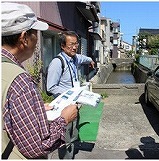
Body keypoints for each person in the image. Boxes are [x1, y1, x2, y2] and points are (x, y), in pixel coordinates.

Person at [1, 2, 78, 159]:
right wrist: (64, 119)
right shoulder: (20, 82)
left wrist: (33, 108)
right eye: (35, 33)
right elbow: (37, 147)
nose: (37, 40)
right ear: (24, 38)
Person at [46, 31, 95, 159]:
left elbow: (83, 58)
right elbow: (51, 87)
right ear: (62, 46)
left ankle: (71, 154)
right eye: (71, 44)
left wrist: (90, 60)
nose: (74, 47)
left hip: (74, 105)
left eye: (76, 44)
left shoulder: (75, 58)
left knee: (74, 132)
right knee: (65, 137)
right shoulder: (57, 63)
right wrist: (70, 94)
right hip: (63, 106)